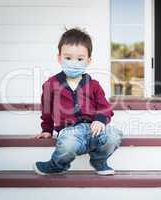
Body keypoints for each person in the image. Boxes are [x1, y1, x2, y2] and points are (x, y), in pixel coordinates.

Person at [33, 28, 123, 176]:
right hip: (70, 131)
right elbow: (47, 110)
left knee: (114, 135)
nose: (73, 63)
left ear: (88, 60)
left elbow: (105, 107)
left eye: (80, 59)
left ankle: (99, 160)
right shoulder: (51, 84)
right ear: (59, 58)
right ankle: (57, 165)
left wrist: (100, 120)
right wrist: (47, 130)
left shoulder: (93, 85)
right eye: (68, 58)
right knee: (68, 144)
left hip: (93, 129)